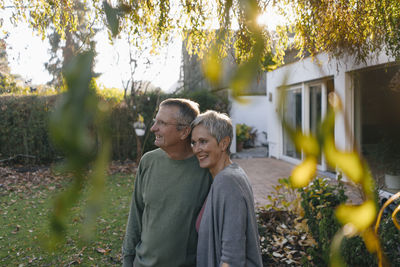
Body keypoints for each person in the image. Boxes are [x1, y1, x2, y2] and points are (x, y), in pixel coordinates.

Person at [122, 98, 213, 267]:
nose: (153, 128)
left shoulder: (206, 169)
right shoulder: (148, 161)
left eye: (162, 123)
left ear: (184, 132)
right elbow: (136, 214)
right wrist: (127, 259)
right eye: (155, 121)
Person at [191, 110, 263, 267]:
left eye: (203, 141)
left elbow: (232, 257)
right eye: (194, 142)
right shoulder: (230, 174)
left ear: (223, 143)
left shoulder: (227, 181)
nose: (197, 149)